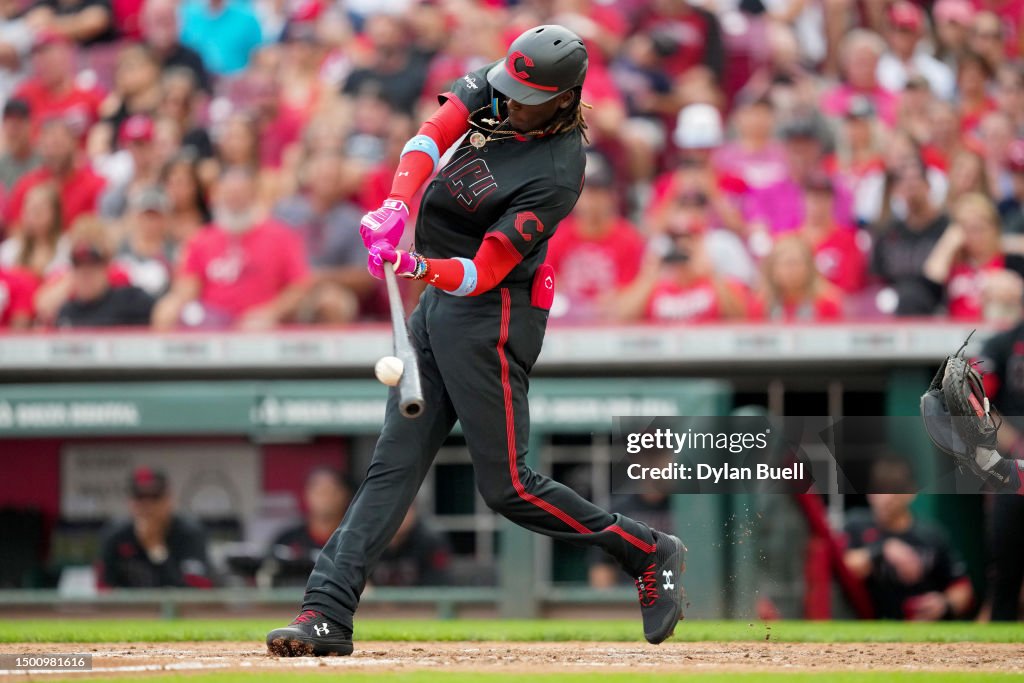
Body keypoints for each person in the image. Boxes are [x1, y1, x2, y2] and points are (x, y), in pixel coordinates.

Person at [266, 25, 687, 658]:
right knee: (393, 465)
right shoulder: (505, 81)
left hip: (492, 313)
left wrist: (414, 269)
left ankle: (647, 551)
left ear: (564, 98)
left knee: (509, 489)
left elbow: (485, 270)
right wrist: (397, 206)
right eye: (508, 87)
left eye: (526, 97)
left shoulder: (557, 172)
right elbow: (429, 136)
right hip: (440, 304)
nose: (509, 101)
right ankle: (326, 612)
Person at [152, 166, 309, 330]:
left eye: (240, 193)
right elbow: (188, 287)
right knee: (168, 310)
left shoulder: (281, 236)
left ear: (253, 194)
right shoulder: (202, 239)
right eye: (229, 194)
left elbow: (299, 286)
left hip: (263, 324)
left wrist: (271, 312)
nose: (234, 200)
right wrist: (176, 304)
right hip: (212, 322)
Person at [842, 459, 973, 620]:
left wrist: (944, 604)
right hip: (867, 624)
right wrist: (882, 550)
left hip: (921, 627)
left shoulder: (931, 536)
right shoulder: (856, 524)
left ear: (911, 493)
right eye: (880, 490)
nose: (887, 498)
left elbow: (961, 586)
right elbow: (843, 567)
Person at [272, 151, 375, 324]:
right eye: (322, 175)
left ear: (343, 182)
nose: (327, 181)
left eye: (333, 177)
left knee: (332, 302)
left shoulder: (355, 221)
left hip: (325, 287)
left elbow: (366, 277)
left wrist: (321, 277)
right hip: (287, 285)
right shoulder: (285, 211)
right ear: (309, 178)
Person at [545, 150, 645, 321]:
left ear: (612, 195)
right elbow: (546, 291)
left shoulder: (629, 239)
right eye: (586, 191)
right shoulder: (556, 236)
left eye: (599, 191)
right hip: (565, 327)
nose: (591, 201)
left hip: (613, 328)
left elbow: (631, 301)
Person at [96, 466, 213, 588]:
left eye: (155, 496)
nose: (147, 505)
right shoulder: (115, 534)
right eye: (140, 497)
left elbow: (197, 590)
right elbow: (104, 589)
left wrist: (156, 550)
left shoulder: (189, 533)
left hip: (178, 607)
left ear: (169, 499)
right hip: (131, 607)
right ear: (130, 501)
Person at [923, 192, 1024, 319]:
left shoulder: (1012, 261)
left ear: (994, 228)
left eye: (980, 228)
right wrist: (947, 245)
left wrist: (1015, 289)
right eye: (968, 229)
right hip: (957, 332)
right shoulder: (953, 261)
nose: (976, 236)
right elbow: (928, 286)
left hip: (996, 331)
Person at [2, 116, 105, 232]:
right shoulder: (26, 185)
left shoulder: (95, 185)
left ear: (74, 143)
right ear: (40, 147)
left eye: (59, 143)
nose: (54, 151)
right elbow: (15, 227)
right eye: (49, 145)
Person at [55, 222, 154, 327]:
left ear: (106, 266)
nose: (85, 274)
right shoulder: (67, 312)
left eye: (93, 265)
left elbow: (161, 319)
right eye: (78, 265)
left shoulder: (131, 301)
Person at [268, 467, 352, 587]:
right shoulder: (286, 540)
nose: (325, 498)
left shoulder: (356, 541)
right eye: (318, 491)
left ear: (345, 495)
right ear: (306, 495)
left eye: (331, 491)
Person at [370, 504, 452, 588]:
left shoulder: (431, 541)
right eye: (389, 510)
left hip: (419, 599)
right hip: (375, 601)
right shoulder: (368, 539)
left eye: (402, 510)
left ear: (413, 511)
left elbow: (438, 586)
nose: (395, 516)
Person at [0, 98, 39, 191]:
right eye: (10, 124)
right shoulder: (2, 163)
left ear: (30, 125)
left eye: (19, 124)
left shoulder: (45, 160)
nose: (14, 131)